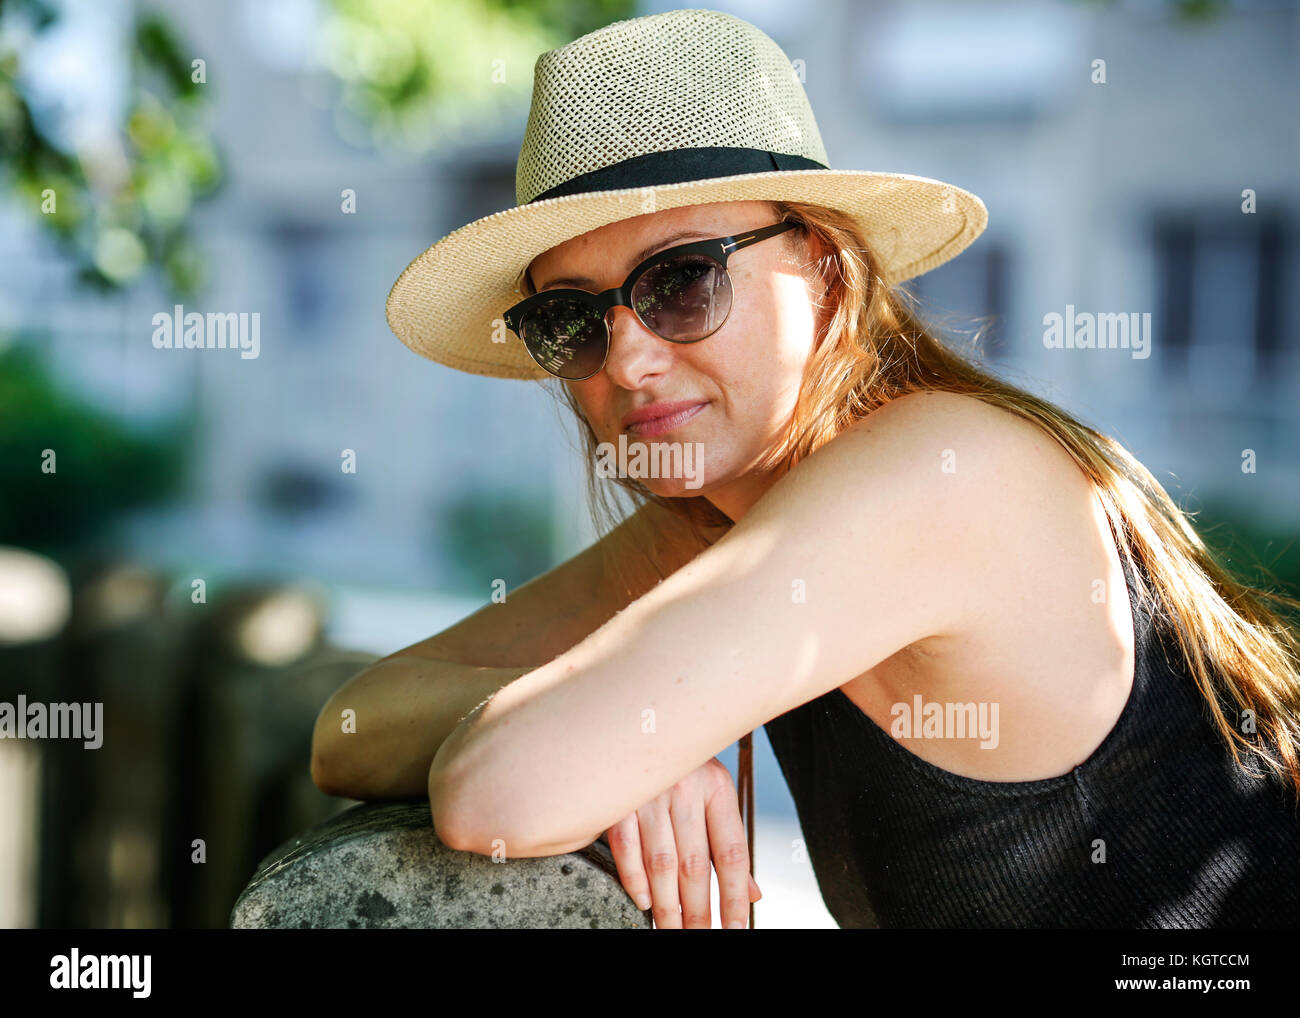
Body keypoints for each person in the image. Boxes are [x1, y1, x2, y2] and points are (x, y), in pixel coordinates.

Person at [311, 8, 1300, 930]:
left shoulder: (939, 477)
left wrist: (601, 729)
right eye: (570, 318)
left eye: (682, 280)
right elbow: (350, 725)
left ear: (826, 269)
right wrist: (625, 730)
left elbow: (501, 791)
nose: (626, 360)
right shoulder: (712, 519)